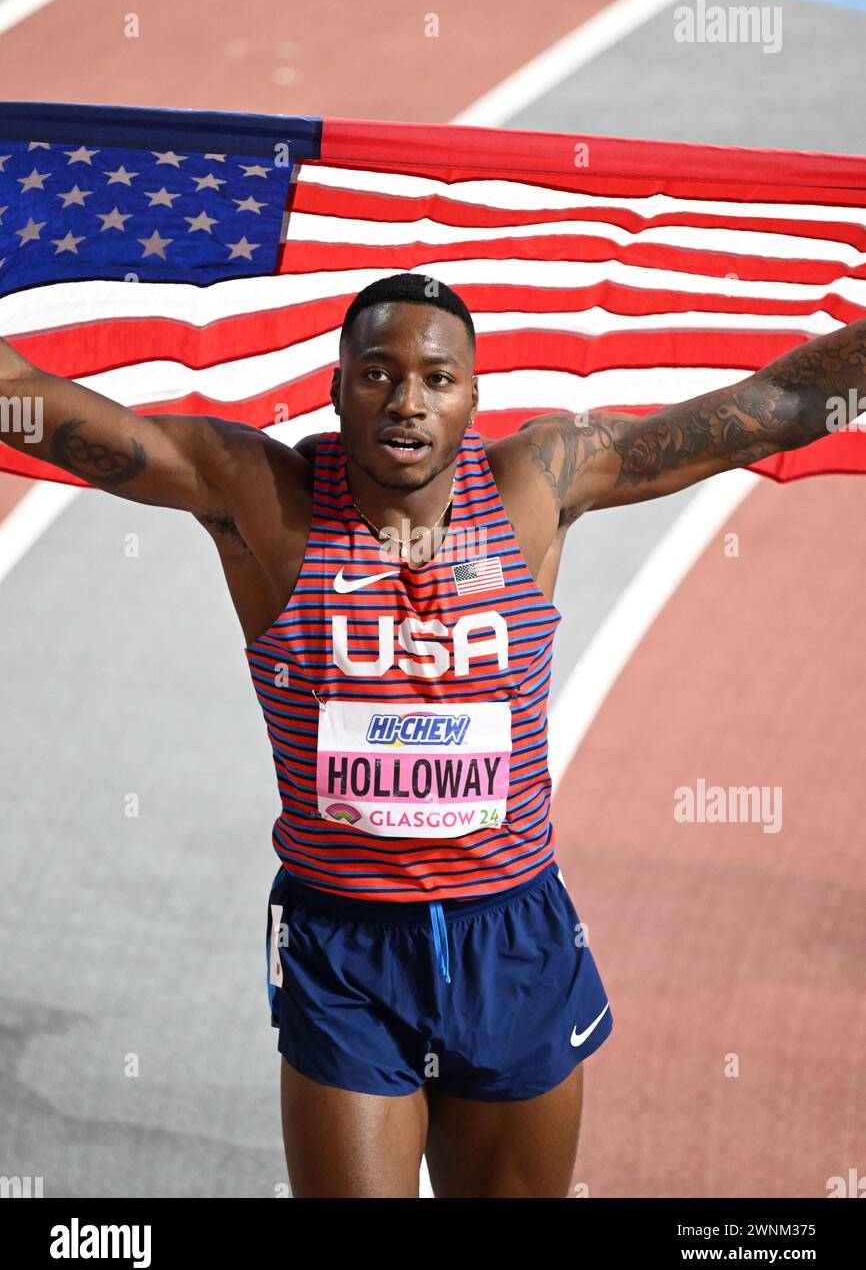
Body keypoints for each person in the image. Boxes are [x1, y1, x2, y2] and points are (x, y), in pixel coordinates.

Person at [0, 271, 859, 1197]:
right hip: (345, 942)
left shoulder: (537, 485)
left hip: (514, 937)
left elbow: (773, 408)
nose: (406, 401)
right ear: (334, 389)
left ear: (474, 398)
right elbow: (27, 408)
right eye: (377, 373)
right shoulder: (259, 494)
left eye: (437, 379)